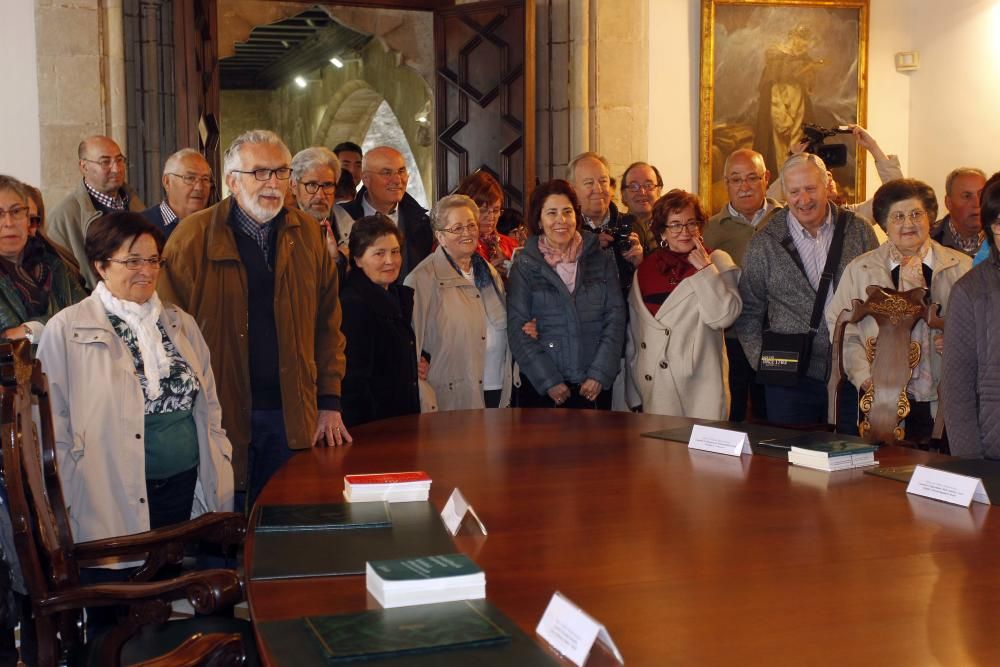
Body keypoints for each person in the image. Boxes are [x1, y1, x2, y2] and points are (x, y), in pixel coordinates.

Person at [158, 129, 348, 512]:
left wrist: (328, 400)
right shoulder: (191, 238)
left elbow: (327, 325)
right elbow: (167, 334)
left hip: (292, 414)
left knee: (287, 529)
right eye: (259, 173)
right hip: (218, 413)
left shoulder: (307, 234)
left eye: (280, 172)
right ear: (231, 181)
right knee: (222, 534)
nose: (272, 184)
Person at [37, 211, 233, 546]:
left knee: (170, 582)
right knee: (120, 588)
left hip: (183, 485)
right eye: (133, 261)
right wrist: (68, 494)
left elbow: (210, 404)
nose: (147, 270)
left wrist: (220, 458)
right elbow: (51, 424)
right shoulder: (68, 329)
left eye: (154, 259)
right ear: (101, 265)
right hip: (106, 493)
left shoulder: (179, 323)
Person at [734, 153, 878, 425]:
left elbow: (878, 299)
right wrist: (763, 362)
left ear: (827, 185)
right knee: (791, 463)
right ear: (784, 193)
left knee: (852, 460)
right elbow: (749, 311)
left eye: (811, 188)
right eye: (795, 191)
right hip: (789, 382)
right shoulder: (764, 243)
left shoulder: (858, 231)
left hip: (853, 373)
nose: (804, 199)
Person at [827, 179, 970, 442]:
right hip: (878, 399)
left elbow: (981, 331)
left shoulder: (962, 268)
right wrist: (865, 378)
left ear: (930, 217)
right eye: (898, 216)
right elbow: (842, 331)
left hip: (944, 397)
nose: (908, 224)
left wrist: (957, 342)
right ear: (884, 223)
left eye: (916, 214)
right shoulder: (860, 270)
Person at [507, 180, 625, 410]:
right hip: (545, 390)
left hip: (594, 387)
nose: (561, 220)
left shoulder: (600, 260)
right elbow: (517, 328)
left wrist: (599, 374)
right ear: (539, 220)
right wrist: (549, 381)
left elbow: (616, 318)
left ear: (576, 216)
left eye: (567, 212)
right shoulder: (524, 266)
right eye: (551, 213)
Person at [626, 190, 741, 419]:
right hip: (654, 387)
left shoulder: (716, 260)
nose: (685, 232)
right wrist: (633, 389)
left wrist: (706, 272)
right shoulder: (646, 269)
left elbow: (724, 317)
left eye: (691, 223)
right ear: (662, 232)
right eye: (675, 225)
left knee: (703, 455)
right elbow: (635, 336)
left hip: (700, 387)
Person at [405, 195, 511, 410]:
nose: (467, 233)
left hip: (497, 388)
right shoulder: (422, 279)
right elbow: (411, 343)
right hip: (452, 397)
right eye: (456, 228)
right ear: (440, 236)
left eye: (471, 225)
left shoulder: (488, 272)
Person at [703, 148, 778, 422]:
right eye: (736, 180)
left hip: (776, 335)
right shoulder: (710, 229)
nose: (744, 187)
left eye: (751, 178)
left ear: (766, 178)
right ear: (727, 184)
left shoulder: (786, 220)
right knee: (731, 410)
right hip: (729, 337)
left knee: (771, 413)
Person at [340, 215, 420, 426]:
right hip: (374, 431)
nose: (390, 261)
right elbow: (353, 384)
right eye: (379, 253)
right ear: (357, 259)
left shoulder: (396, 296)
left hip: (400, 423)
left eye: (395, 252)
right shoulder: (353, 305)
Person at [942, 172, 1000, 458]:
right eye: (999, 224)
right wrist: (971, 466)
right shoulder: (971, 291)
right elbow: (957, 390)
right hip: (992, 453)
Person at [47, 135, 146, 288]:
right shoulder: (63, 218)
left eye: (119, 160)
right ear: (83, 167)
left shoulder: (136, 205)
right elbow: (62, 282)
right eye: (105, 162)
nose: (116, 168)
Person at [0, 176, 86, 343]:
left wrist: (33, 329)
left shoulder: (55, 264)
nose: (8, 223)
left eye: (16, 211)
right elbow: (6, 340)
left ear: (28, 219)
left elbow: (87, 318)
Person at [341, 146, 433, 280]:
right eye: (386, 173)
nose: (397, 180)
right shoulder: (342, 218)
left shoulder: (423, 223)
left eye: (401, 171)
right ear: (366, 179)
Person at [289, 146, 356, 263]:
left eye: (327, 185)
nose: (320, 195)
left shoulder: (351, 227)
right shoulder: (280, 230)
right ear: (294, 186)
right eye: (311, 185)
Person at [455, 170, 519, 281]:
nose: (491, 217)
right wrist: (487, 275)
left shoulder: (511, 245)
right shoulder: (453, 246)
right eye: (483, 210)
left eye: (496, 210)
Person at [141, 148, 214, 239]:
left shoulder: (217, 227)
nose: (199, 187)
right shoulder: (140, 226)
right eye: (190, 178)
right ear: (167, 182)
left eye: (205, 179)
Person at [932, 167, 987, 257]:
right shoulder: (928, 241)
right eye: (967, 196)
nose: (977, 203)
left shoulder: (997, 236)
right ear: (948, 203)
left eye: (981, 194)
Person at [620, 162, 663, 254]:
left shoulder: (672, 230)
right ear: (623, 194)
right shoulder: (615, 229)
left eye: (648, 185)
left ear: (658, 192)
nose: (642, 192)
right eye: (633, 186)